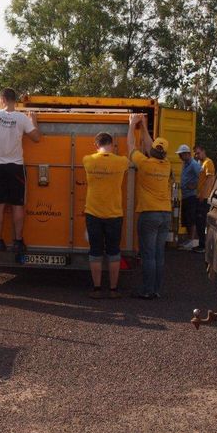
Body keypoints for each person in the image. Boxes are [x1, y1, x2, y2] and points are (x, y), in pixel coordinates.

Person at [0, 87, 41, 253]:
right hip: (16, 167)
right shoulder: (22, 118)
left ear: (2, 100)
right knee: (17, 205)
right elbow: (36, 138)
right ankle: (18, 241)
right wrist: (33, 120)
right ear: (15, 101)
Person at [128, 113, 172, 299]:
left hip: (149, 214)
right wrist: (144, 127)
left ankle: (147, 291)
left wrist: (132, 126)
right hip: (165, 215)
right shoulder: (167, 165)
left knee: (148, 255)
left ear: (153, 151)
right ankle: (156, 290)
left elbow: (131, 146)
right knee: (159, 255)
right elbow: (151, 145)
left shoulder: (144, 164)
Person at [82, 132, 129, 299]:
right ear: (113, 144)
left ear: (96, 145)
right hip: (114, 214)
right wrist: (131, 127)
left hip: (93, 213)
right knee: (114, 252)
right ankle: (114, 290)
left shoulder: (88, 160)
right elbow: (132, 150)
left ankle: (96, 289)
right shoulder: (121, 162)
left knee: (95, 252)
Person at [176, 143, 202, 251]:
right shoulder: (186, 164)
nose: (180, 157)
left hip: (191, 196)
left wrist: (195, 185)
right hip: (186, 195)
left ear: (187, 154)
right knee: (186, 219)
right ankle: (188, 240)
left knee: (191, 218)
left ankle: (191, 241)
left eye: (181, 154)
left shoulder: (194, 164)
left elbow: (202, 176)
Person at [193, 144, 215, 253]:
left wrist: (203, 194)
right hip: (200, 196)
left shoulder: (208, 162)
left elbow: (209, 180)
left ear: (203, 151)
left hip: (204, 197)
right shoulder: (200, 163)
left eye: (198, 153)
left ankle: (204, 246)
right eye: (196, 153)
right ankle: (202, 244)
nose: (197, 155)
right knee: (199, 222)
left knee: (202, 222)